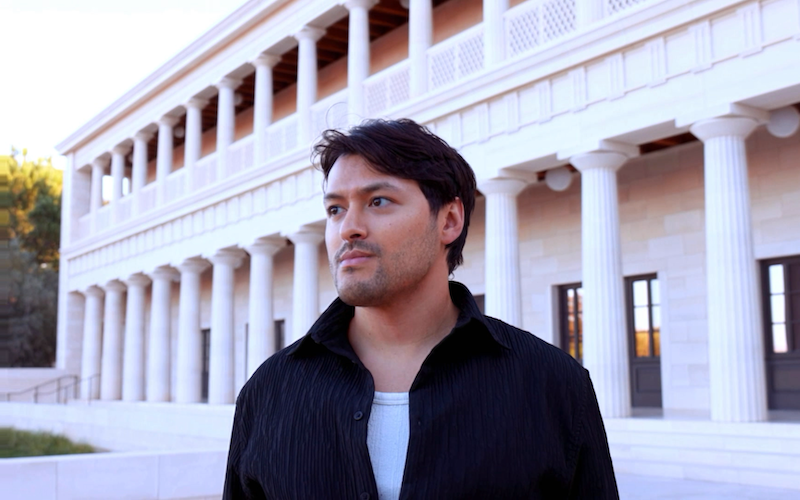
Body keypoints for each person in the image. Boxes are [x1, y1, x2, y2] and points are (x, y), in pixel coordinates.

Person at [223, 119, 619, 499]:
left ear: (449, 220)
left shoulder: (553, 385)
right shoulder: (268, 391)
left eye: (378, 201)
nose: (348, 228)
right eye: (335, 209)